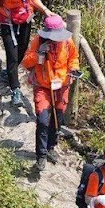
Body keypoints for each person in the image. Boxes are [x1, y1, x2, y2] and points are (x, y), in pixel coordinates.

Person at [22, 13, 79, 167]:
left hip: (62, 86)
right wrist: (39, 52)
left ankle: (51, 147)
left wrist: (74, 69)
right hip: (43, 87)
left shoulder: (68, 42)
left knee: (57, 118)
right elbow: (26, 63)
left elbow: (73, 58)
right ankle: (41, 154)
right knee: (42, 120)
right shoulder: (38, 41)